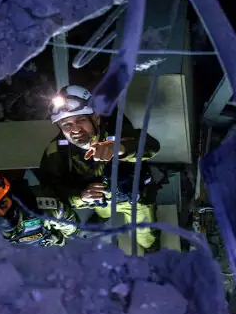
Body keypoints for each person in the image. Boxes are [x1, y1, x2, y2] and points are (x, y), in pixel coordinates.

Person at [38, 85, 161, 252]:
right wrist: (80, 196)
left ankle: (151, 248)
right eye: (66, 124)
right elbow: (51, 188)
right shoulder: (56, 151)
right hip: (99, 202)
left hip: (135, 200)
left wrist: (119, 147)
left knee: (145, 233)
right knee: (103, 213)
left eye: (80, 120)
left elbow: (151, 146)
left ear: (95, 118)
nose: (75, 129)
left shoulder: (116, 128)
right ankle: (103, 217)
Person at [0, 168, 78, 246]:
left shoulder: (44, 208)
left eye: (3, 203)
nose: (3, 214)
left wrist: (56, 239)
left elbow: (71, 226)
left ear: (11, 195)